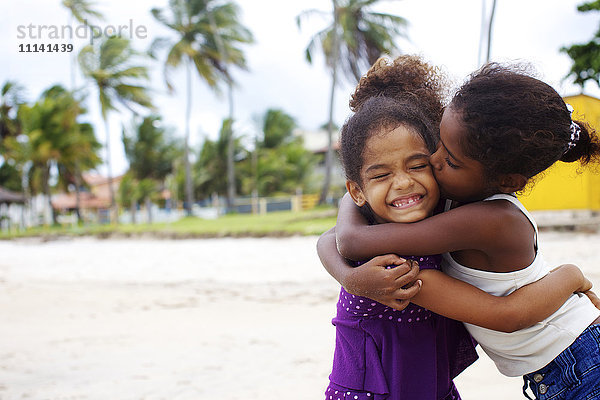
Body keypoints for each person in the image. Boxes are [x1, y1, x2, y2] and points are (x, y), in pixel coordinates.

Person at [320, 60, 600, 399]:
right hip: (564, 365)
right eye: (437, 146)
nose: (434, 164)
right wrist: (350, 267)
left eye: (447, 160)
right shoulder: (451, 198)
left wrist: (571, 274)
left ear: (507, 180)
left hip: (580, 362)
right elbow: (332, 238)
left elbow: (350, 240)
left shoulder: (489, 219)